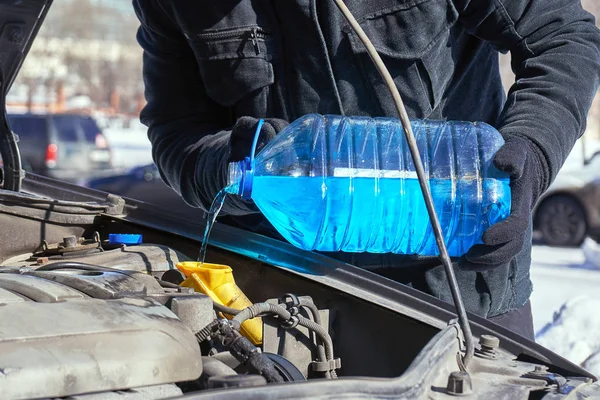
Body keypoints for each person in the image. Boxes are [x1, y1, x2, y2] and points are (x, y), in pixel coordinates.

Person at [132, 0, 600, 340]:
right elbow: (176, 129)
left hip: (458, 287)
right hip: (286, 299)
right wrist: (228, 167)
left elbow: (563, 39)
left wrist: (533, 150)